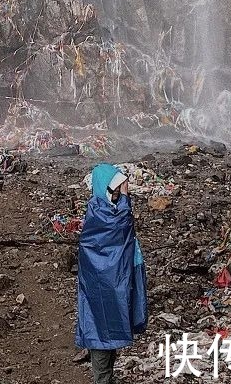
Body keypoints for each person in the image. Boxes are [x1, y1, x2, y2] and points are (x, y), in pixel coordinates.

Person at [75, 163, 147, 384]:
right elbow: (123, 225)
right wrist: (125, 197)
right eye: (114, 187)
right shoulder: (99, 212)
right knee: (101, 334)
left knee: (111, 332)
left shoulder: (104, 209)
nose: (117, 192)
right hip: (103, 284)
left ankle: (106, 378)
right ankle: (102, 380)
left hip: (111, 283)